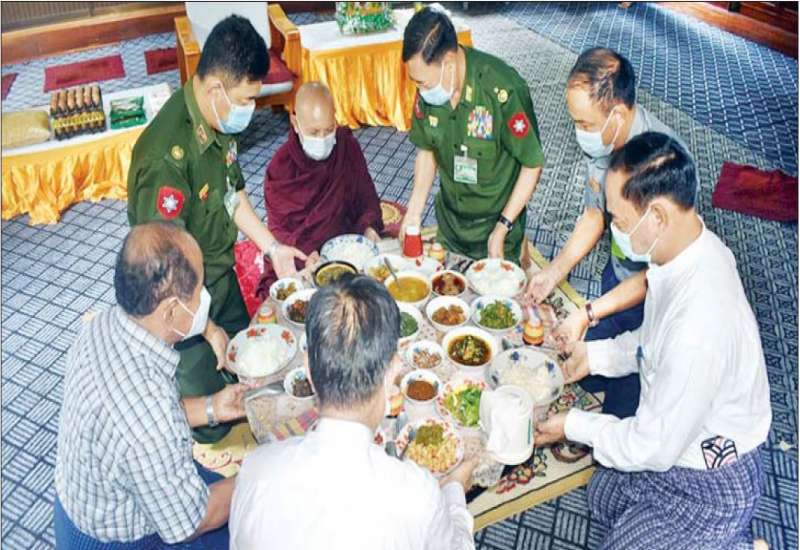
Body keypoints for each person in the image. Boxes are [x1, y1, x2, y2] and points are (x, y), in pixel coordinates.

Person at [535, 133, 771, 550]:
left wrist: (572, 424)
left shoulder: (700, 327)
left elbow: (652, 447)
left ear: (658, 216)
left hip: (709, 481)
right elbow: (654, 340)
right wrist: (595, 357)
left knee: (620, 535)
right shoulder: (685, 252)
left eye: (620, 220)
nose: (614, 230)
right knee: (604, 498)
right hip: (673, 437)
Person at [127, 15, 305, 443]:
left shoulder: (219, 119)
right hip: (178, 299)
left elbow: (231, 194)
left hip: (219, 276)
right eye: (246, 100)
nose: (251, 110)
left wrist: (272, 247)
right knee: (211, 425)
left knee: (255, 374)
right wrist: (205, 327)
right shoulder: (165, 159)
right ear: (215, 89)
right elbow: (162, 268)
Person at [230, 275, 478, 550]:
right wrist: (454, 492)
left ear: (308, 370)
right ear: (392, 372)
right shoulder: (417, 495)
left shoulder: (256, 469)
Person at [54, 222, 246, 549]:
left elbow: (150, 415)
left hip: (89, 498)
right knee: (254, 523)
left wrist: (213, 407)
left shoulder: (105, 323)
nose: (205, 299)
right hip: (119, 539)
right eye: (200, 290)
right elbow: (191, 521)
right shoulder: (148, 421)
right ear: (171, 310)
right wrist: (259, 476)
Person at [525, 47, 693, 419]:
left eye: (585, 124)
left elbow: (656, 277)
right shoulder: (606, 138)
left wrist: (587, 313)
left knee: (623, 410)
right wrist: (553, 272)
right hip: (617, 273)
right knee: (580, 365)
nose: (579, 132)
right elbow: (593, 216)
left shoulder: (662, 165)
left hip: (653, 297)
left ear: (617, 115)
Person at [400, 7, 544, 262]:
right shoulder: (430, 90)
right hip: (451, 227)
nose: (421, 90)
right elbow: (427, 150)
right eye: (417, 83)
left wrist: (503, 227)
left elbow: (532, 164)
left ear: (448, 62)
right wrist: (413, 211)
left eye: (424, 83)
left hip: (497, 230)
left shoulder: (502, 89)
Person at [255, 81, 384, 299]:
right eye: (314, 132)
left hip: (346, 246)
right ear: (295, 123)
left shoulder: (346, 147)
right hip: (303, 256)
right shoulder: (280, 168)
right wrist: (306, 255)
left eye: (329, 130)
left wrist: (368, 227)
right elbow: (279, 230)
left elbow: (367, 198)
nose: (322, 139)